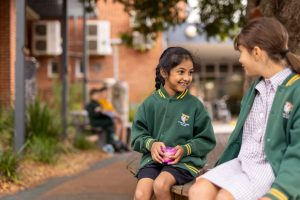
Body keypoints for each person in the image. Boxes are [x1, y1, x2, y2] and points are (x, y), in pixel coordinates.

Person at [189, 17, 300, 200]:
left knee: (225, 197)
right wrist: (219, 166)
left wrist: (281, 193)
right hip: (242, 163)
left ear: (256, 52)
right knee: (198, 190)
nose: (240, 59)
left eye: (241, 52)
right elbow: (241, 141)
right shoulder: (255, 89)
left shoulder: (295, 90)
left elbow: (297, 151)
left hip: (269, 168)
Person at [131, 47, 216, 200]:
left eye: (190, 72)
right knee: (140, 194)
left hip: (183, 163)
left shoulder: (195, 105)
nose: (187, 78)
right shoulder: (150, 103)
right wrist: (151, 145)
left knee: (160, 185)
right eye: (181, 71)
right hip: (153, 161)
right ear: (164, 73)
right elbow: (137, 137)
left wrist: (185, 149)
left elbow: (207, 140)